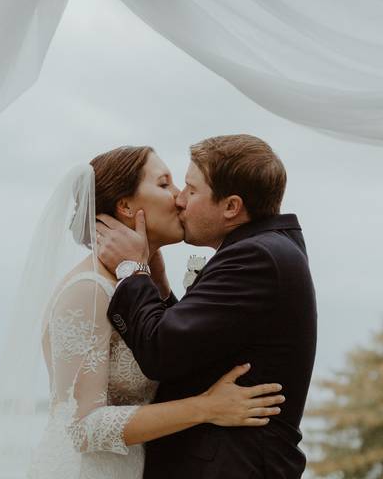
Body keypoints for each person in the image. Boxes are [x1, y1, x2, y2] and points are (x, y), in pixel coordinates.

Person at [0, 146, 284, 479]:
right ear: (126, 205)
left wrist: (153, 278)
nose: (179, 198)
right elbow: (84, 428)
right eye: (164, 185)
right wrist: (207, 407)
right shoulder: (88, 290)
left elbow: (171, 351)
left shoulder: (134, 288)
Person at [96, 134, 318, 479]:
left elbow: (160, 353)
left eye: (191, 189)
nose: (180, 200)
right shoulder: (267, 249)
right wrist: (161, 287)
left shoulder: (255, 257)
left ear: (231, 207)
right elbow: (195, 346)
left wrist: (132, 271)